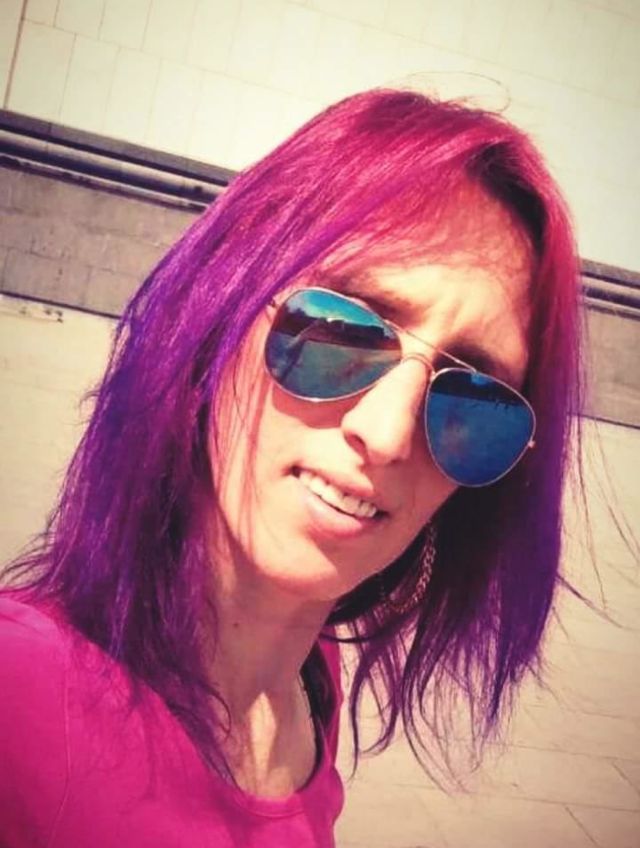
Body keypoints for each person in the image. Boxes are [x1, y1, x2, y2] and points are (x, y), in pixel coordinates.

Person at [0, 88, 581, 847]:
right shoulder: (19, 705)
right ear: (216, 313)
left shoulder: (308, 682)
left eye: (474, 396)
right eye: (339, 330)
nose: (387, 434)